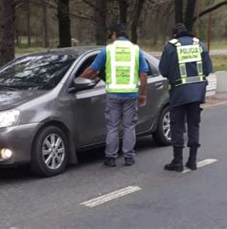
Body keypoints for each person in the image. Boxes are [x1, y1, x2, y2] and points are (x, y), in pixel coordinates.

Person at [79, 24, 148, 167]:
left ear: (115, 35)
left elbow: (93, 69)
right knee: (129, 126)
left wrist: (79, 78)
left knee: (113, 127)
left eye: (111, 35)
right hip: (130, 94)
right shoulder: (136, 50)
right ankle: (129, 157)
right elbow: (143, 74)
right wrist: (143, 94)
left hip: (114, 94)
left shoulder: (108, 50)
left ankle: (111, 158)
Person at [159, 23, 213, 172]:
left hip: (179, 92)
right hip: (198, 92)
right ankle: (192, 160)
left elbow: (163, 70)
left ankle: (177, 161)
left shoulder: (171, 46)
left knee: (177, 124)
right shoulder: (200, 44)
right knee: (194, 124)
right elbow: (208, 69)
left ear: (175, 35)